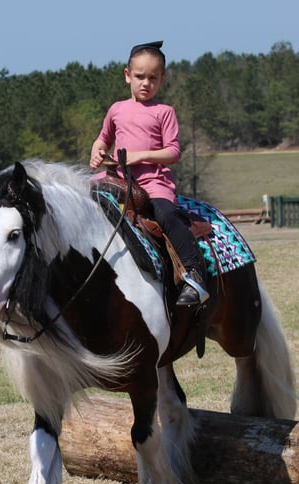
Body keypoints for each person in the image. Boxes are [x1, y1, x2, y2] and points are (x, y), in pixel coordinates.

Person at [89, 40, 208, 306]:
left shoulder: (164, 112)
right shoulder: (117, 109)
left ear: (162, 79)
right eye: (140, 76)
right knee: (82, 198)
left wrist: (140, 156)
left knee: (166, 214)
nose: (146, 83)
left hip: (153, 182)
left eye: (153, 78)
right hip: (119, 179)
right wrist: (97, 152)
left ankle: (194, 274)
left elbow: (173, 152)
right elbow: (103, 139)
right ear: (127, 75)